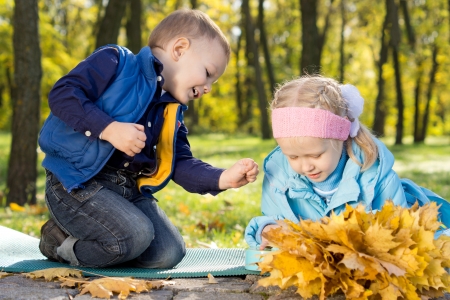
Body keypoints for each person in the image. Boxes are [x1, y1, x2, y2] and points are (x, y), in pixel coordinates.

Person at [38, 9, 259, 269]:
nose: (209, 87)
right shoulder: (116, 62)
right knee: (134, 235)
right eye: (209, 73)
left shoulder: (170, 111)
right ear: (179, 49)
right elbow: (63, 93)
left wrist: (222, 178)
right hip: (76, 183)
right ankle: (59, 242)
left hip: (126, 191)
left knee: (169, 253)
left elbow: (179, 162)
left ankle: (107, 240)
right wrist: (109, 129)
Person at [245, 75, 450, 250]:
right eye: (293, 157)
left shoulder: (375, 175)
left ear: (341, 138)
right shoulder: (279, 176)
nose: (306, 166)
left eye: (316, 155)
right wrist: (268, 229)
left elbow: (402, 231)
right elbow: (273, 216)